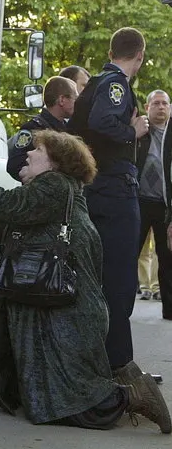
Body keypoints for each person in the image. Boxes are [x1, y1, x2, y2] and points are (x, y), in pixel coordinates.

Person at [0, 130, 171, 433]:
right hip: (65, 308)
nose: (27, 154)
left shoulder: (53, 186)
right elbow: (8, 228)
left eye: (37, 150)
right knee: (60, 394)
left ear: (55, 163)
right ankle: (126, 382)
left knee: (76, 402)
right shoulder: (53, 192)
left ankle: (133, 395)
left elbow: (5, 206)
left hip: (67, 312)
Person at [68, 27, 150, 383]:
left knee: (101, 281)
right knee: (118, 281)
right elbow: (104, 121)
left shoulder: (95, 84)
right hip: (113, 191)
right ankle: (120, 366)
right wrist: (133, 132)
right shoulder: (115, 84)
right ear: (140, 57)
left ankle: (103, 361)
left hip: (97, 189)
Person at [136, 90, 172, 312]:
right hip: (139, 201)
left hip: (164, 204)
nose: (161, 107)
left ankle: (169, 308)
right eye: (156, 103)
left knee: (166, 256)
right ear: (147, 107)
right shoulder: (141, 133)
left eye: (164, 103)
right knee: (132, 251)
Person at [7, 76, 78, 181]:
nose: (77, 104)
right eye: (75, 98)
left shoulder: (69, 129)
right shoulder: (33, 129)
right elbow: (15, 165)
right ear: (62, 100)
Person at [138, 230, 160, 300]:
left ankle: (157, 288)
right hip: (143, 219)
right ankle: (145, 288)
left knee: (157, 249)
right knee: (142, 251)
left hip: (159, 219)